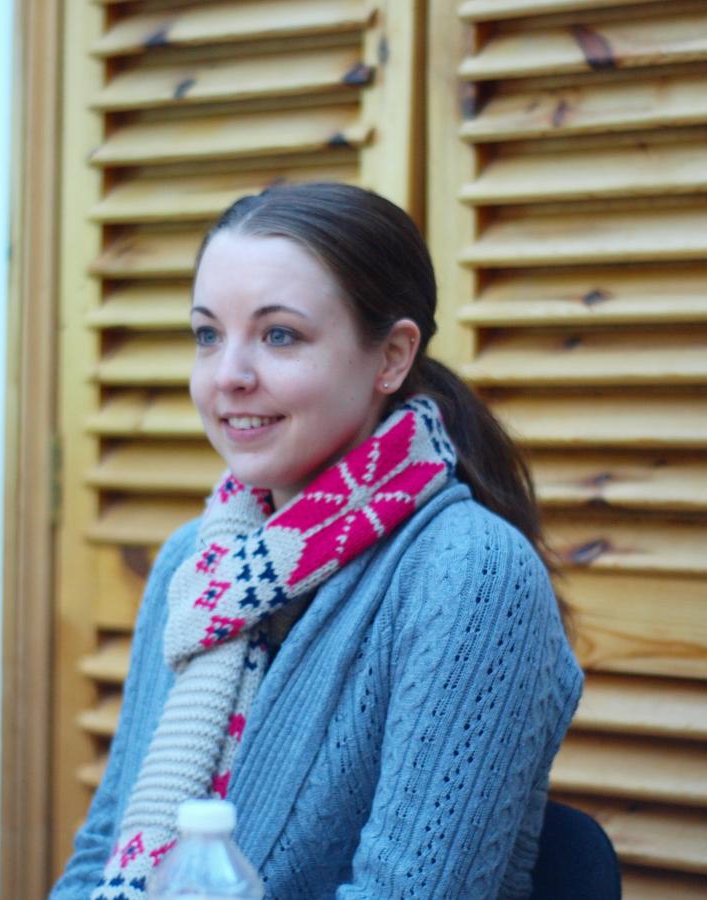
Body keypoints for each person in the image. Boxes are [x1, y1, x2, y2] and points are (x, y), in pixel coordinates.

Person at [51, 183, 583, 899]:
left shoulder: (471, 572)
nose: (229, 377)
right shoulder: (196, 563)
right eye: (208, 335)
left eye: (279, 336)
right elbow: (101, 854)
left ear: (392, 357)